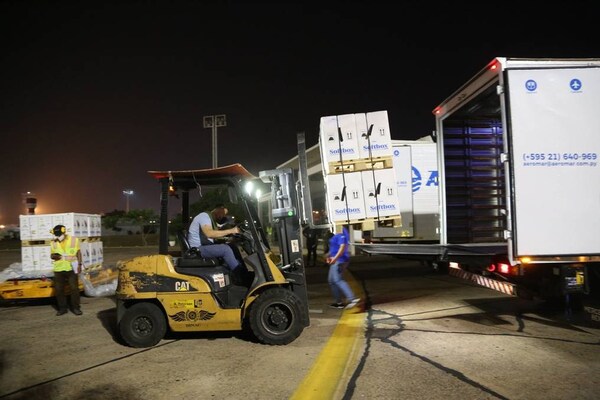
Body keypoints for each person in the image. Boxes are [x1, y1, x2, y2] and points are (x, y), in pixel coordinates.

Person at [187, 205, 250, 285]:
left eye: (224, 215)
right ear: (218, 209)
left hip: (202, 247)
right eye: (223, 213)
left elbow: (211, 237)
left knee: (232, 247)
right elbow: (209, 233)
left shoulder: (210, 219)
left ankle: (244, 273)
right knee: (225, 249)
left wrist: (229, 239)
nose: (222, 216)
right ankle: (241, 278)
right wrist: (231, 230)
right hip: (197, 250)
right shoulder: (204, 216)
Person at [50, 224, 83, 316]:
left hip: (71, 268)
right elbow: (51, 255)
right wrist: (56, 256)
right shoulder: (53, 242)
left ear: (64, 231)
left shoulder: (74, 240)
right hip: (58, 269)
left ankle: (76, 308)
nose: (58, 236)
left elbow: (78, 253)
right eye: (56, 235)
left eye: (59, 234)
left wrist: (79, 264)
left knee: (74, 289)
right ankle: (62, 308)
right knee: (59, 290)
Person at [326, 225, 360, 310]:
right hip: (334, 259)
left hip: (340, 260)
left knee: (338, 280)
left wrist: (335, 258)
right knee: (331, 281)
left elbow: (342, 247)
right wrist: (328, 255)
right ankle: (339, 302)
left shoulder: (340, 229)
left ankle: (352, 299)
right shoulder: (333, 230)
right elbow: (334, 247)